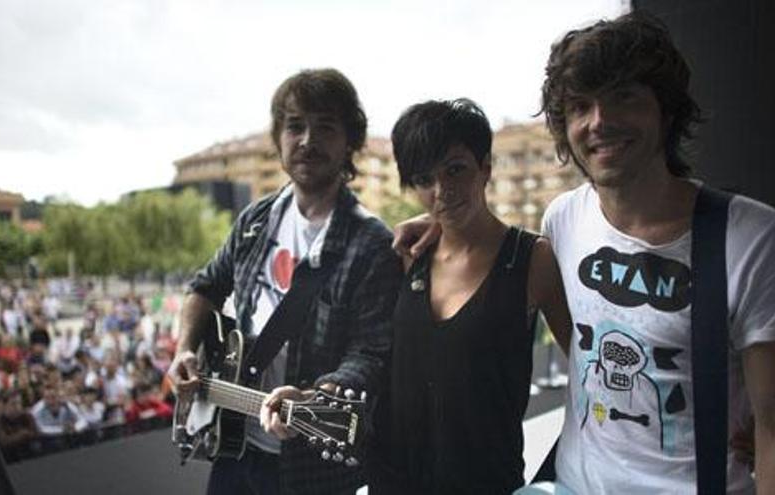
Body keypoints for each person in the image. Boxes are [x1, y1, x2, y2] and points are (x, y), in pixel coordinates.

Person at [394, 11, 774, 495]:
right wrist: (442, 222)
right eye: (579, 106)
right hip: (572, 484)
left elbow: (770, 426)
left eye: (624, 97)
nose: (599, 121)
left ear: (667, 111)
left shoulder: (749, 237)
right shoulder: (565, 219)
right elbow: (584, 353)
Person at [167, 68, 401, 495]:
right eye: (295, 126)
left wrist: (320, 395)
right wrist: (184, 350)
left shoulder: (372, 244)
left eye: (325, 127)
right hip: (233, 448)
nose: (307, 140)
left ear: (350, 141)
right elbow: (204, 287)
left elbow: (371, 353)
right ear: (278, 137)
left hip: (310, 466)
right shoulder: (256, 219)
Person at [368, 99, 571, 494]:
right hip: (393, 481)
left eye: (456, 169)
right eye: (425, 178)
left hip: (486, 482)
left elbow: (588, 370)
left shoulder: (530, 258)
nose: (442, 190)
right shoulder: (410, 255)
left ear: (486, 168)